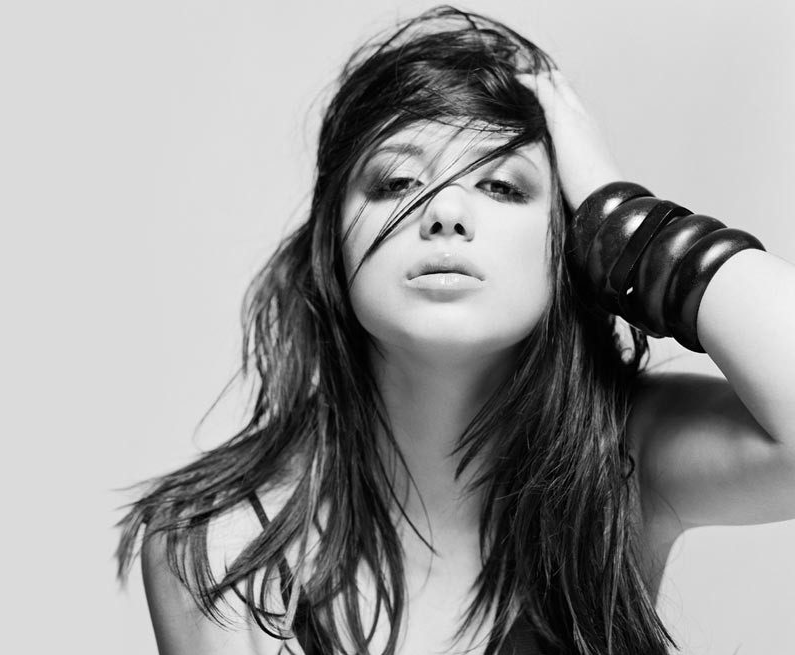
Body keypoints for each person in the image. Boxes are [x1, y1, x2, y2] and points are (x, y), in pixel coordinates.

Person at [116, 6, 795, 654]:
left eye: (502, 186)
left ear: (566, 244)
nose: (444, 212)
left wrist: (622, 217)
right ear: (334, 247)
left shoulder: (627, 463)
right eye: (396, 181)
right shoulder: (221, 545)